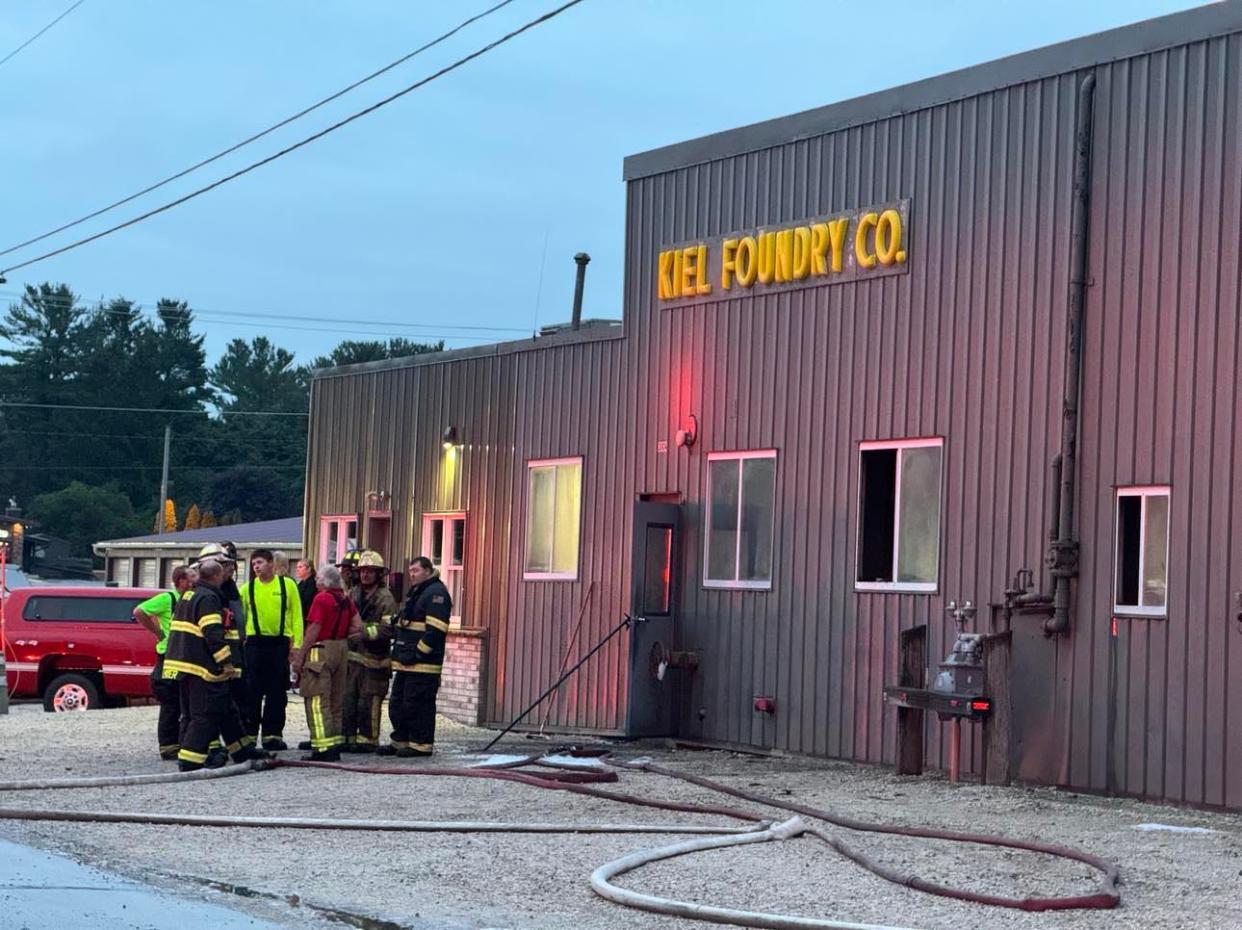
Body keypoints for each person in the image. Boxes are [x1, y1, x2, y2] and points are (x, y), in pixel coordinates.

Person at [162, 558, 269, 771]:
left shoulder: (190, 594)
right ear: (217, 576)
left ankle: (241, 750)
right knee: (205, 713)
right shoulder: (209, 598)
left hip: (184, 663)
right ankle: (190, 760)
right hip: (201, 666)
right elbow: (212, 632)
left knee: (225, 708)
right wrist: (226, 662)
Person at [377, 556, 451, 758]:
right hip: (406, 661)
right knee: (398, 704)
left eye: (416, 570)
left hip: (423, 664)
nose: (412, 574)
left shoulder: (436, 593)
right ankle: (400, 740)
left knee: (417, 704)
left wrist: (419, 652)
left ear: (428, 571)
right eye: (410, 571)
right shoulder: (418, 592)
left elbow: (436, 631)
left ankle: (421, 744)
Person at [292, 563, 362, 761]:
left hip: (320, 650)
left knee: (316, 700)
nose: (315, 582)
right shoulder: (346, 599)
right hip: (341, 649)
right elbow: (358, 626)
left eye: (317, 580)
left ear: (323, 581)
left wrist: (300, 655)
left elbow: (314, 628)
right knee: (335, 700)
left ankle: (322, 748)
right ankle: (334, 743)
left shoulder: (321, 598)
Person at [240, 548, 303, 751]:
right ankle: (249, 735)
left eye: (259, 562)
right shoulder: (247, 589)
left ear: (271, 564)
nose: (256, 567)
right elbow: (240, 620)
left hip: (279, 645)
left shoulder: (287, 586)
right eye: (253, 564)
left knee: (277, 693)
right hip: (255, 645)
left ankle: (272, 735)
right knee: (252, 693)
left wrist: (297, 646)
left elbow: (297, 617)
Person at [132, 564, 196, 760]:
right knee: (170, 701)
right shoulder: (168, 599)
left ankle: (182, 741)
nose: (195, 581)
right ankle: (168, 746)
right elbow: (139, 611)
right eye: (192, 578)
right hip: (168, 656)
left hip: (185, 656)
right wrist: (158, 633)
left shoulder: (191, 599)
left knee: (185, 701)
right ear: (181, 581)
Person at [341, 550, 395, 753]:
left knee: (368, 701)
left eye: (371, 572)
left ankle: (368, 741)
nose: (365, 575)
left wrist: (362, 631)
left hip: (375, 661)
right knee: (348, 699)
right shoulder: (353, 593)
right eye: (363, 571)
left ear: (378, 574)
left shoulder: (385, 598)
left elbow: (388, 629)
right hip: (353, 660)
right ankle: (347, 738)